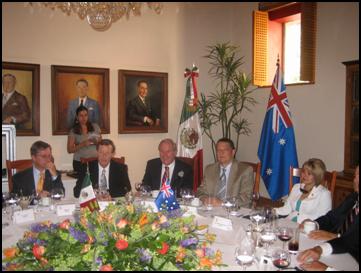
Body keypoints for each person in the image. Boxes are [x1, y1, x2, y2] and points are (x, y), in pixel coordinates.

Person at [297, 165, 359, 269]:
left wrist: (335, 237)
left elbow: (353, 241)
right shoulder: (353, 198)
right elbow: (331, 217)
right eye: (356, 175)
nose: (355, 179)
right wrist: (314, 224)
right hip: (335, 249)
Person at [196, 138, 254, 208]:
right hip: (211, 210)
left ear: (233, 152)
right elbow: (200, 191)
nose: (221, 153)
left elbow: (246, 198)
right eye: (218, 150)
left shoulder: (245, 170)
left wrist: (223, 204)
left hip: (234, 211)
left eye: (225, 150)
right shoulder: (209, 169)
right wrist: (205, 199)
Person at [274, 158, 332, 223]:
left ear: (317, 176)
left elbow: (324, 220)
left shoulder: (324, 194)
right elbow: (287, 209)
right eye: (303, 172)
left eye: (309, 174)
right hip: (289, 223)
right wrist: (272, 211)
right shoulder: (296, 187)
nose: (304, 175)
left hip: (308, 228)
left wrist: (309, 224)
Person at [67, 105, 102, 174]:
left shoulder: (95, 126)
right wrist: (82, 144)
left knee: (95, 183)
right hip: (80, 162)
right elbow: (69, 150)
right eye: (81, 115)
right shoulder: (73, 130)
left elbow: (101, 144)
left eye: (86, 115)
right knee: (83, 184)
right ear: (77, 117)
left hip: (94, 161)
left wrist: (96, 142)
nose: (84, 118)